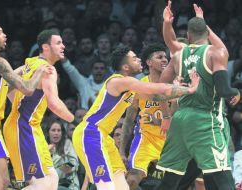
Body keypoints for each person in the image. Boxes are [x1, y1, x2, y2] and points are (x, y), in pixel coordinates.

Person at [72, 45, 200, 190]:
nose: (139, 59)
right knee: (106, 186)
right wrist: (190, 89)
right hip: (90, 133)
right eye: (134, 58)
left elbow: (158, 96)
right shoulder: (119, 81)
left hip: (104, 137)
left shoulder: (131, 87)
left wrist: (180, 89)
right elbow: (157, 90)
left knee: (122, 186)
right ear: (126, 67)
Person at [155, 17, 240, 190]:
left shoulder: (178, 56)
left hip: (179, 120)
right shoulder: (215, 53)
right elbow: (224, 90)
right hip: (205, 119)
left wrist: (166, 116)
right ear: (208, 33)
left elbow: (159, 91)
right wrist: (237, 92)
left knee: (170, 181)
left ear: (188, 35)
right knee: (223, 177)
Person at [3, 29, 75, 190]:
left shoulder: (31, 63)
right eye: (58, 43)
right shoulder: (47, 70)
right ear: (46, 47)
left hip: (29, 127)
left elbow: (7, 88)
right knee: (41, 184)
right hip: (23, 127)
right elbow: (54, 103)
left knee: (52, 179)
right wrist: (75, 120)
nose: (63, 46)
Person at [0, 17, 50, 190]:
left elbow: (3, 88)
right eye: (0, 32)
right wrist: (39, 70)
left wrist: (20, 71)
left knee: (2, 182)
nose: (5, 35)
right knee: (2, 182)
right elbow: (28, 89)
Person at [119, 43, 168, 190]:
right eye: (160, 57)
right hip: (145, 140)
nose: (165, 60)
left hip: (170, 141)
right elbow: (128, 121)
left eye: (166, 57)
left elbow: (180, 117)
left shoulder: (174, 84)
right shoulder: (138, 86)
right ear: (149, 62)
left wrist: (157, 120)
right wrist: (122, 151)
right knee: (132, 179)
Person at [46, 119, 79, 190]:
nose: (56, 133)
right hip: (49, 185)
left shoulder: (67, 144)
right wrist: (47, 152)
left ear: (62, 133)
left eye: (58, 130)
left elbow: (74, 164)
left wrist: (59, 166)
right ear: (48, 133)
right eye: (53, 130)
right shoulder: (43, 147)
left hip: (69, 185)